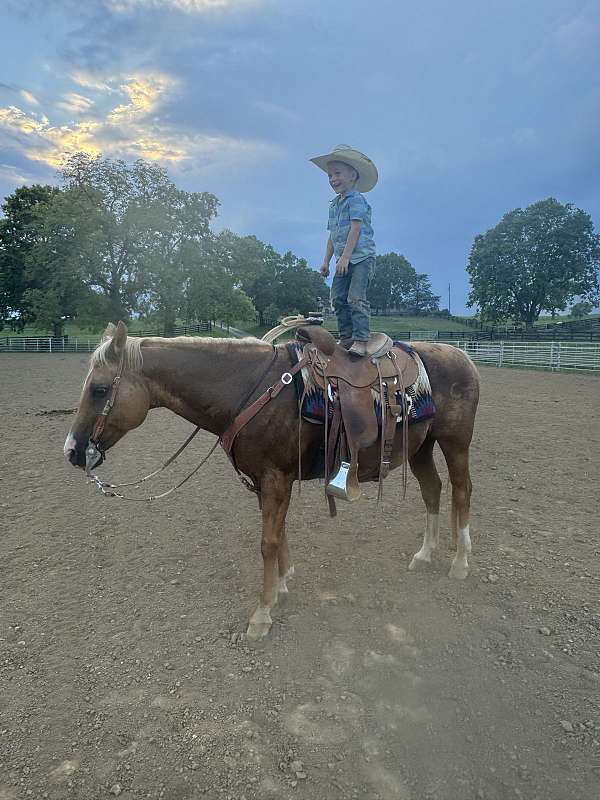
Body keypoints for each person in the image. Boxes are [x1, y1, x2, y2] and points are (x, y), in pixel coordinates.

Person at [310, 144, 378, 357]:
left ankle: (361, 340)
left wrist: (346, 257)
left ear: (353, 175)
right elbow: (332, 235)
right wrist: (326, 261)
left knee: (355, 298)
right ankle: (346, 336)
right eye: (330, 175)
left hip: (361, 258)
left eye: (337, 173)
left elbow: (355, 228)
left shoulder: (356, 200)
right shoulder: (334, 205)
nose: (332, 179)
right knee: (337, 298)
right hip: (342, 260)